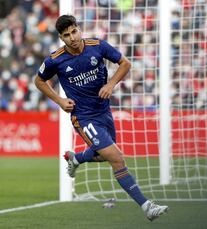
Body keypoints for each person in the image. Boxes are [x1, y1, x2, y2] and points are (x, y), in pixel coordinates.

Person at [34, 14, 168, 221]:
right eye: (67, 35)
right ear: (62, 38)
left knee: (103, 155)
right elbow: (39, 81)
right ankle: (147, 206)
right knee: (116, 157)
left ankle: (76, 158)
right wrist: (60, 100)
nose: (72, 38)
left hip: (104, 111)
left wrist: (111, 83)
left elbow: (125, 63)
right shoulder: (55, 59)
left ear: (79, 29)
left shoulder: (98, 46)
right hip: (83, 116)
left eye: (74, 31)